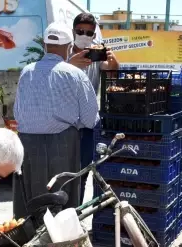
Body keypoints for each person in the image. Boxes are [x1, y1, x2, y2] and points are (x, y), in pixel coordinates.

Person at [12, 22, 99, 218]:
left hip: (27, 144)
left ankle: (29, 240)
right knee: (63, 198)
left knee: (31, 198)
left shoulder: (27, 72)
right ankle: (62, 242)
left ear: (44, 45)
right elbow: (90, 119)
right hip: (63, 144)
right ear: (69, 46)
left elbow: (18, 113)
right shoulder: (76, 75)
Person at [68, 13, 120, 201]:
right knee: (63, 172)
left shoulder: (95, 54)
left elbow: (112, 71)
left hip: (88, 124)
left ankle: (76, 213)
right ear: (73, 31)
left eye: (89, 33)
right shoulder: (63, 54)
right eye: (80, 31)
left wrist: (113, 61)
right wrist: (69, 64)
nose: (84, 36)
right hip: (63, 125)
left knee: (83, 171)